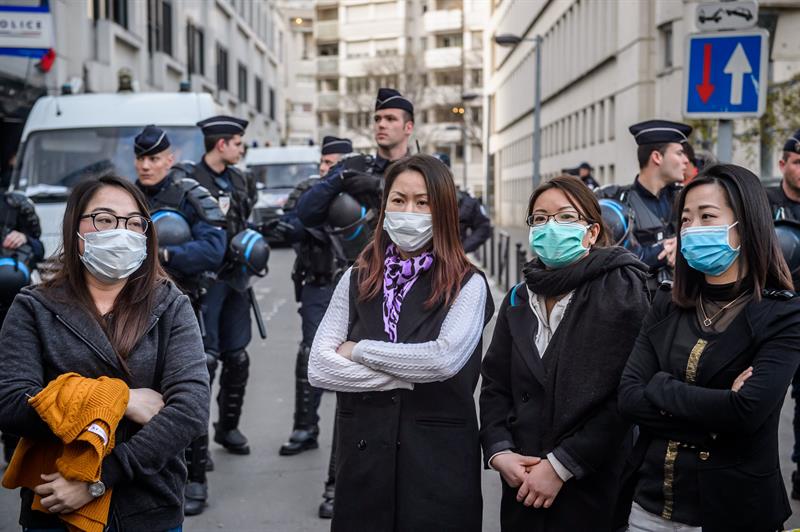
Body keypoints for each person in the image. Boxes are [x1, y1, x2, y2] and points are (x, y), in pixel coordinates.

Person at [0, 174, 210, 530]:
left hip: (149, 504)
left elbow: (190, 409)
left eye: (133, 222)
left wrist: (99, 478)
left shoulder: (171, 304)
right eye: (105, 219)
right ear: (75, 228)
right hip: (54, 505)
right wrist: (122, 399)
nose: (122, 232)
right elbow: (11, 405)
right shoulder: (33, 307)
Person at [308, 154, 493, 531]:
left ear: (442, 209)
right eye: (399, 200)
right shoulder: (356, 277)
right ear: (384, 206)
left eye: (422, 202)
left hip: (436, 462)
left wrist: (358, 351)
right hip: (363, 457)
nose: (409, 211)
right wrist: (408, 374)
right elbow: (320, 366)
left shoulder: (468, 283)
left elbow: (443, 361)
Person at [618, 164, 800, 531]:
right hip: (649, 506)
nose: (692, 229)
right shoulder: (667, 303)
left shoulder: (783, 314)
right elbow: (629, 397)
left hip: (736, 509)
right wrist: (717, 414)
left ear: (746, 226)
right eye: (685, 219)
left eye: (707, 216)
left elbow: (747, 412)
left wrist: (661, 386)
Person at [479, 175, 649, 531]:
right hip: (521, 478)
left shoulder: (621, 289)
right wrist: (499, 451)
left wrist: (560, 466)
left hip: (591, 481)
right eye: (540, 218)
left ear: (591, 231)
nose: (550, 227)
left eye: (566, 217)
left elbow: (625, 395)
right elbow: (495, 383)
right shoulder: (520, 297)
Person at [296, 88, 414, 518]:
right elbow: (306, 213)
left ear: (408, 127)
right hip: (361, 291)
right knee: (353, 395)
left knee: (407, 394)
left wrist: (384, 190)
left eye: (391, 117)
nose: (382, 124)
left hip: (413, 293)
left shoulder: (423, 171)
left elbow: (451, 221)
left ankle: (403, 485)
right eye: (378, 117)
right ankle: (337, 486)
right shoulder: (353, 167)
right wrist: (339, 178)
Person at [132, 125, 227, 516]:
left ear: (169, 159)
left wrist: (166, 256)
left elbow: (213, 247)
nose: (146, 165)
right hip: (132, 307)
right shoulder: (126, 197)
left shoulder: (189, 194)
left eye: (154, 158)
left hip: (182, 304)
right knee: (137, 393)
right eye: (140, 158)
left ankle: (195, 479)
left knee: (187, 390)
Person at [174, 115, 259, 457]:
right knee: (204, 363)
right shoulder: (188, 180)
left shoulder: (240, 180)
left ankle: (228, 427)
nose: (242, 149)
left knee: (237, 357)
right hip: (203, 283)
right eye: (238, 143)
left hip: (236, 280)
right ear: (221, 144)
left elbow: (246, 220)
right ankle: (198, 445)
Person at [278, 135, 353, 459]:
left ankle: (353, 434)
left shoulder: (357, 192)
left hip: (354, 283)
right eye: (323, 163)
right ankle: (305, 426)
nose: (326, 169)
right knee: (312, 351)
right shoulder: (310, 191)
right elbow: (290, 222)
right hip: (318, 283)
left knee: (357, 355)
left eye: (333, 164)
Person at [597, 120, 691, 292]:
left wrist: (685, 242)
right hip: (633, 306)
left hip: (681, 305)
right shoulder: (615, 201)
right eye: (679, 153)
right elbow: (609, 262)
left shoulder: (689, 200)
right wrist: (662, 251)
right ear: (657, 157)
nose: (686, 160)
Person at [764, 127, 800, 497]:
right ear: (783, 163)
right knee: (760, 401)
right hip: (768, 315)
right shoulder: (765, 199)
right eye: (798, 161)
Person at [0, 180, 45, 465]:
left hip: (12, 304)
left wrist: (25, 240)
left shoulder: (15, 205)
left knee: (16, 376)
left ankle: (14, 445)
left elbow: (40, 250)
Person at [431, 152, 493, 253]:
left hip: (453, 263)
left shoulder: (465, 202)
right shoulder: (418, 198)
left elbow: (484, 227)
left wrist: (462, 249)